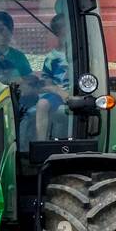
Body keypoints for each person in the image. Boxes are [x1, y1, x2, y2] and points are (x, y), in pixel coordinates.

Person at [34, 9, 72, 141]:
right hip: (58, 96)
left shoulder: (82, 54)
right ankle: (41, 142)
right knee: (42, 104)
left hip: (77, 93)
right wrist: (60, 92)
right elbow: (46, 84)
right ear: (58, 33)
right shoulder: (51, 58)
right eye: (64, 30)